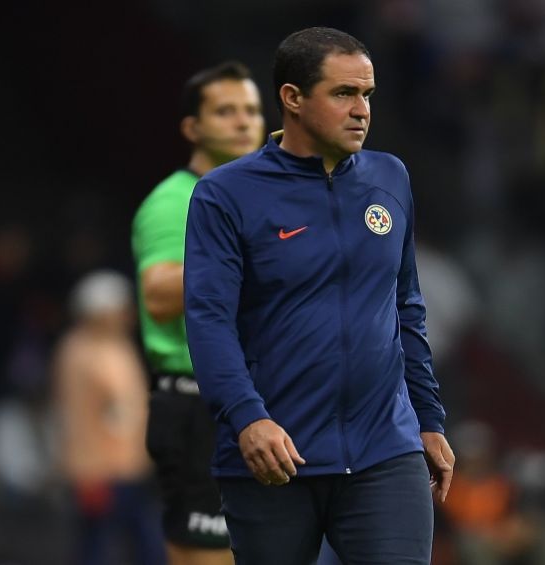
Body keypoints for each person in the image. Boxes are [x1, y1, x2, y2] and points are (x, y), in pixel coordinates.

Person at [183, 27, 455, 565]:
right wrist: (247, 418)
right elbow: (209, 320)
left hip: (385, 450)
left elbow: (406, 306)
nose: (361, 111)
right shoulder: (226, 194)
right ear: (292, 98)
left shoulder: (390, 177)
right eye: (343, 93)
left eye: (367, 95)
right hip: (275, 454)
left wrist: (428, 418)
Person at [131, 61, 264, 565]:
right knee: (209, 557)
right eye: (225, 111)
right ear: (193, 128)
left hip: (252, 401)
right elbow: (159, 295)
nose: (243, 121)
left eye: (251, 110)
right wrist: (249, 253)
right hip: (199, 406)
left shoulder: (255, 196)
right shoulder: (175, 200)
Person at [52, 270, 166, 565]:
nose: (127, 316)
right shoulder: (89, 352)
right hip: (102, 470)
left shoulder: (100, 346)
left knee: (127, 542)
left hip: (123, 467)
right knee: (103, 546)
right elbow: (119, 410)